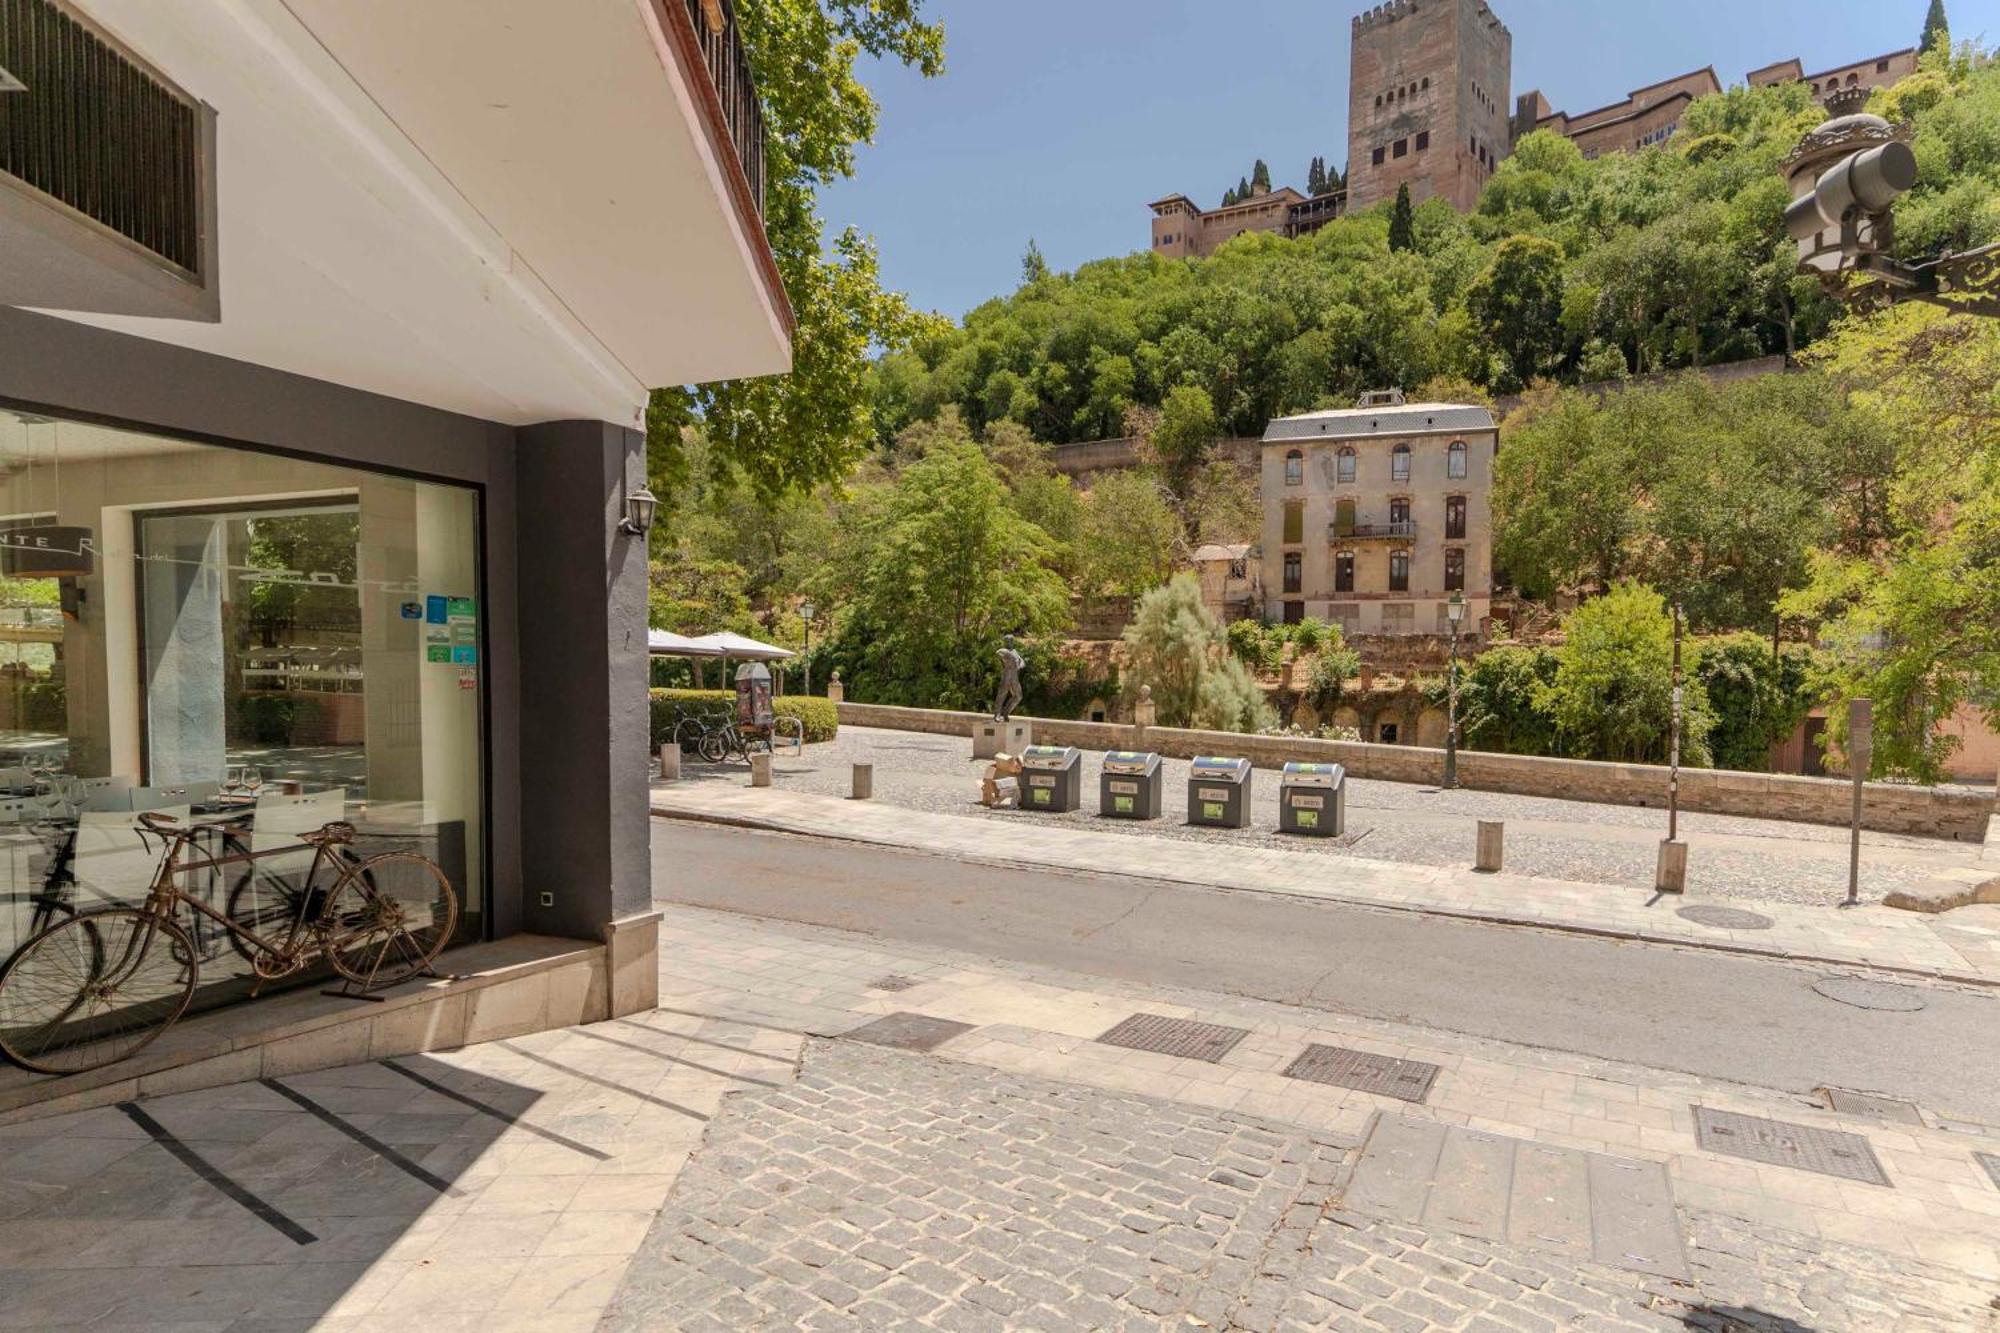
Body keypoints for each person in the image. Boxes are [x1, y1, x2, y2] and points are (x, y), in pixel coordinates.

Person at [993, 635, 1024, 721]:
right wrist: (1008, 657)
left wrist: (1020, 665)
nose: (1009, 642)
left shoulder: (1015, 651)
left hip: (1014, 676)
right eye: (1008, 641)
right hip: (1007, 675)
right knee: (1002, 695)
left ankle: (1006, 712)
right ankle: (997, 714)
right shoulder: (1003, 650)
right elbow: (998, 652)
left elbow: (1022, 661)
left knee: (1018, 696)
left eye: (1011, 641)